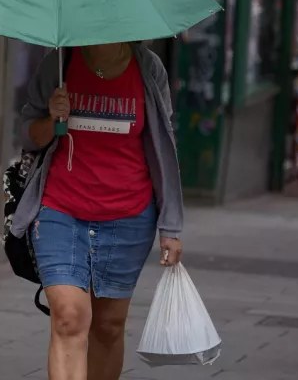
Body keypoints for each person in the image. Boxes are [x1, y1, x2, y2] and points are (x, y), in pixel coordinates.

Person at [11, 42, 184, 380]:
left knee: (107, 325)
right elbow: (30, 136)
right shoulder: (59, 64)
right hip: (60, 208)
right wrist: (52, 118)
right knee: (68, 318)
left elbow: (163, 145)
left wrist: (171, 227)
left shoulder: (148, 69)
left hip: (129, 214)